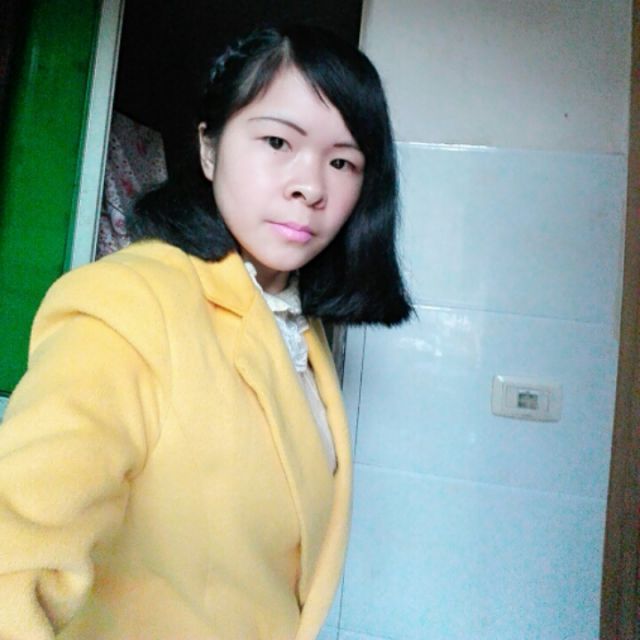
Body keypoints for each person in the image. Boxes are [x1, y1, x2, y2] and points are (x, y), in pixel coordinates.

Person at [0, 24, 411, 639]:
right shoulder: (131, 300)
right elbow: (18, 542)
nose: (311, 186)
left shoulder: (295, 323)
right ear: (210, 150)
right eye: (278, 141)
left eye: (342, 161)